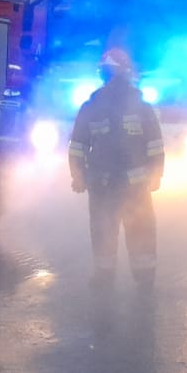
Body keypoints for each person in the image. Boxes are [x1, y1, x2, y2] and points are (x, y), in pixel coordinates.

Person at [67, 48, 165, 288]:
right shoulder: (137, 106)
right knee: (130, 232)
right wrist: (156, 176)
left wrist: (78, 176)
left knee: (110, 231)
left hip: (112, 186)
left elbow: (78, 146)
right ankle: (138, 279)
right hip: (126, 186)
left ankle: (113, 277)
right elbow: (155, 146)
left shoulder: (94, 106)